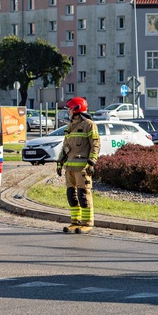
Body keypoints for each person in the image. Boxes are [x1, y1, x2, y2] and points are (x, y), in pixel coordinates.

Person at [56, 97, 100, 234]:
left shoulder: (89, 125)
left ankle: (87, 224)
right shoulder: (70, 126)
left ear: (76, 109)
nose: (68, 112)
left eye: (69, 109)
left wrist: (92, 162)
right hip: (69, 168)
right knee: (71, 195)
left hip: (82, 168)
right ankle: (75, 222)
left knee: (83, 195)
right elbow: (65, 147)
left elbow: (95, 145)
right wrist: (59, 163)